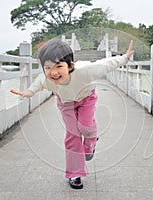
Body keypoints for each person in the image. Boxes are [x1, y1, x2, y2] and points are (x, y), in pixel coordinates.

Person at [11, 39, 134, 189]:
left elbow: (107, 63)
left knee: (86, 127)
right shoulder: (46, 79)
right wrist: (27, 93)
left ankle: (90, 141)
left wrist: (125, 57)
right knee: (73, 135)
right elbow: (36, 85)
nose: (53, 72)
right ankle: (75, 174)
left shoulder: (85, 70)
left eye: (59, 67)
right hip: (66, 103)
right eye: (48, 67)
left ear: (70, 66)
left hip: (86, 98)